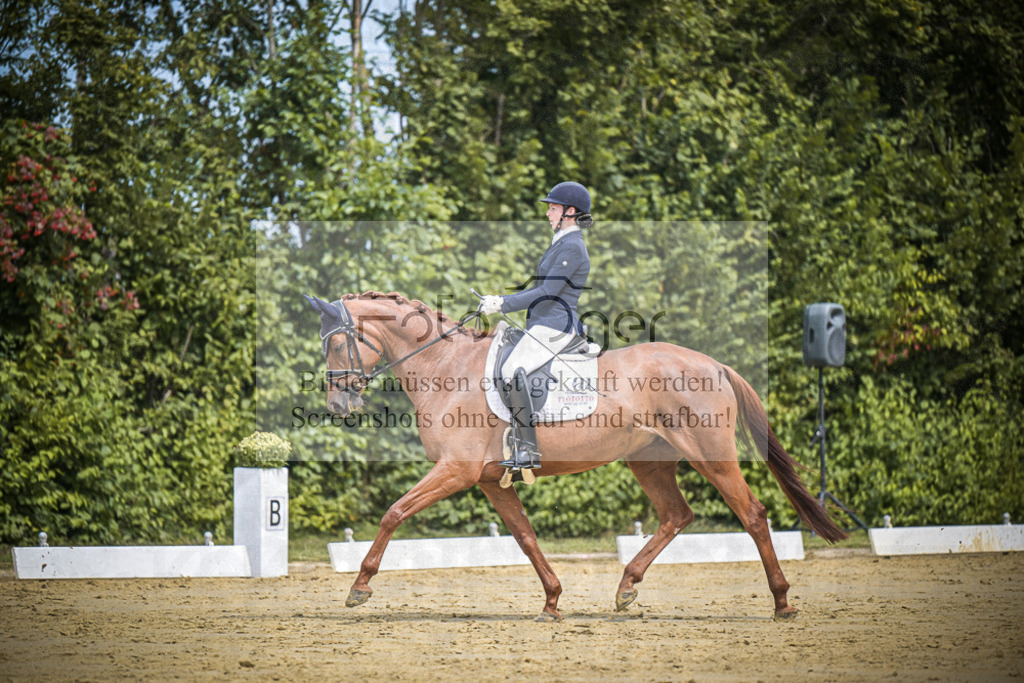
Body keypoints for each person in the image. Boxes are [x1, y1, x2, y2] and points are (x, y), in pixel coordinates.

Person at [478, 181, 593, 471]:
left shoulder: (574, 247)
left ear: (570, 212)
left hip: (557, 326)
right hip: (543, 324)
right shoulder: (561, 243)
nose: (548, 213)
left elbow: (548, 293)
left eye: (553, 208)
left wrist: (502, 303)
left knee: (510, 370)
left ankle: (527, 450)